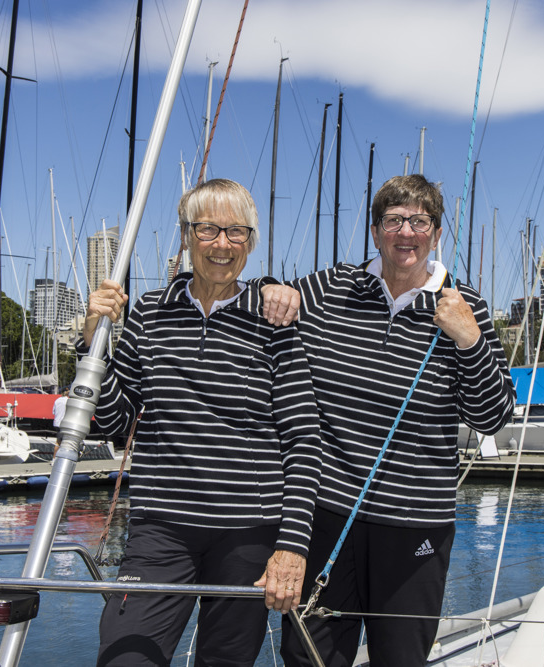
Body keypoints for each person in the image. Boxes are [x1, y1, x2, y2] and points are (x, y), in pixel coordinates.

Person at [263, 174, 516, 667]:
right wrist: (273, 289)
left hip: (415, 522)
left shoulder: (467, 307)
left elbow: (492, 416)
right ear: (376, 231)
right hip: (329, 514)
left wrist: (470, 340)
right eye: (395, 220)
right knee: (308, 658)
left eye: (419, 221)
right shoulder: (329, 289)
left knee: (400, 660)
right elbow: (260, 307)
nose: (407, 233)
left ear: (436, 233)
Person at [82, 179, 321, 666]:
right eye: (208, 229)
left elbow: (302, 439)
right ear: (186, 235)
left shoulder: (274, 322)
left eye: (236, 232)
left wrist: (291, 549)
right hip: (160, 529)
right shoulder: (149, 315)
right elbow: (112, 420)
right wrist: (95, 347)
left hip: (248, 535)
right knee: (125, 657)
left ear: (251, 242)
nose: (221, 244)